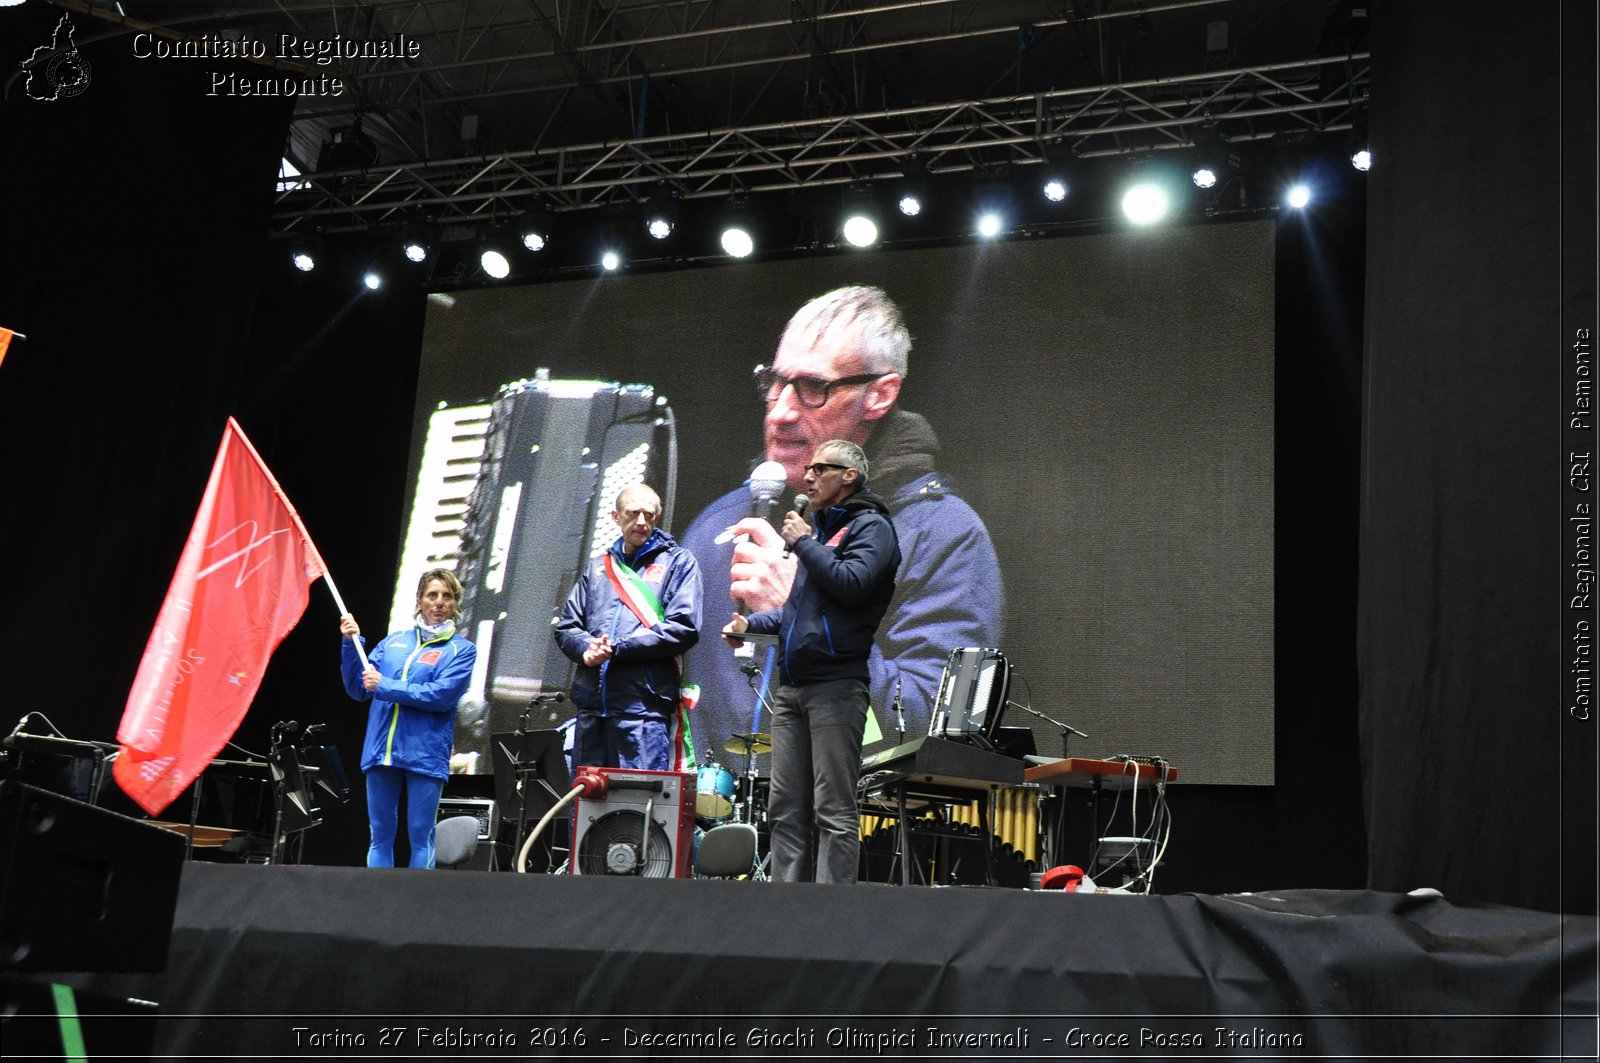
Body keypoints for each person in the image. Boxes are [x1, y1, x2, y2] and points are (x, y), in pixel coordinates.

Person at [679, 285, 1003, 757]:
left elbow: (949, 729)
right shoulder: (715, 526)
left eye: (813, 388)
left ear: (880, 395)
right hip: (699, 823)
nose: (782, 410)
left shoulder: (947, 537)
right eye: (775, 381)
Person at [724, 440, 900, 883]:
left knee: (833, 810)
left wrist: (803, 544)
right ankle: (787, 908)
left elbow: (853, 583)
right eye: (808, 469)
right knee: (785, 809)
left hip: (836, 687)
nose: (808, 477)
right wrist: (751, 626)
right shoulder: (818, 533)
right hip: (792, 688)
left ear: (849, 476)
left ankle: (829, 916)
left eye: (821, 469)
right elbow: (794, 614)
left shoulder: (873, 528)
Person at [554, 484, 703, 772]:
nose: (641, 522)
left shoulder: (679, 563)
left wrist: (617, 648)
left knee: (638, 806)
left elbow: (683, 628)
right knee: (588, 808)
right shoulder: (597, 567)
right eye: (633, 513)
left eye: (649, 515)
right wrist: (587, 649)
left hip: (643, 711)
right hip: (592, 709)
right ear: (615, 516)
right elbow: (567, 627)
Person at [339, 569, 477, 869]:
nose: (439, 602)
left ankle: (418, 909)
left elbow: (440, 695)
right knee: (380, 834)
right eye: (432, 595)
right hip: (381, 750)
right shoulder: (393, 642)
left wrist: (385, 685)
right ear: (419, 601)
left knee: (420, 834)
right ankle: (378, 905)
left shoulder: (462, 651)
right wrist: (351, 643)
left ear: (456, 604)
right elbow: (358, 689)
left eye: (447, 596)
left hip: (425, 753)